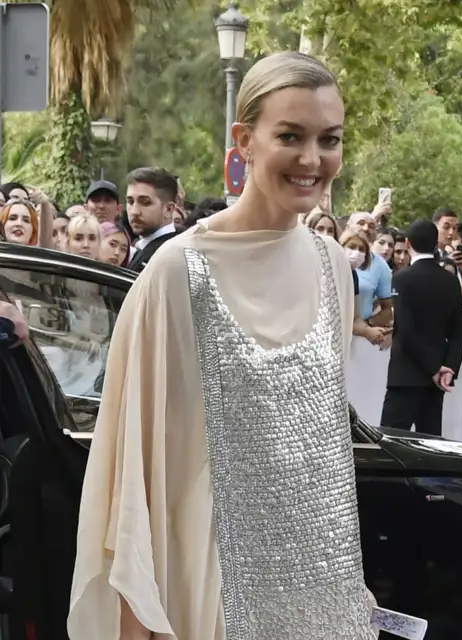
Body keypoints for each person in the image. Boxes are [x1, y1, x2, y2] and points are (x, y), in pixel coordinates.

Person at [68, 51, 377, 640]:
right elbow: (137, 466)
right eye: (291, 135)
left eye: (329, 139)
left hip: (313, 584)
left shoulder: (333, 266)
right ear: (245, 140)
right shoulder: (177, 270)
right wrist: (140, 617)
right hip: (206, 580)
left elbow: (325, 447)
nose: (313, 159)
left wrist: (344, 573)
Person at [381, 218, 462, 436]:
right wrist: (449, 367)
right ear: (435, 243)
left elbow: (406, 330)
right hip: (436, 381)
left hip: (406, 375)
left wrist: (435, 368)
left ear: (408, 244)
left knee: (392, 441)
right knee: (430, 442)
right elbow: (459, 329)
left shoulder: (402, 279)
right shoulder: (450, 280)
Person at [125, 167, 179, 272]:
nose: (134, 211)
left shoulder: (167, 255)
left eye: (145, 203)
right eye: (131, 202)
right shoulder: (145, 247)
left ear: (168, 209)